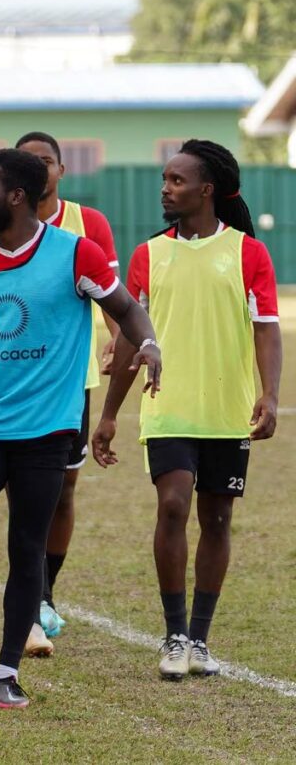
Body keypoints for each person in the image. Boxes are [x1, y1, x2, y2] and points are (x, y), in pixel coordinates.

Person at [0, 149, 160, 710]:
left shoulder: (77, 253)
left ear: (16, 198)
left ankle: (7, 671)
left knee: (26, 549)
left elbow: (127, 309)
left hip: (47, 433)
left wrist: (147, 342)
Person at [92, 140, 281, 681]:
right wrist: (109, 415)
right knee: (173, 506)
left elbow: (266, 330)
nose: (165, 188)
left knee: (217, 519)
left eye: (176, 180)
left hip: (225, 410)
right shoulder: (148, 255)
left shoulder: (248, 252)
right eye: (164, 179)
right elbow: (130, 337)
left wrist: (269, 394)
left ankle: (200, 640)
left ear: (207, 189)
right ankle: (174, 635)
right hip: (166, 405)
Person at [15, 131, 121, 652]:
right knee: (26, 491)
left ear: (61, 170)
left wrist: (118, 343)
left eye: (46, 161)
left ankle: (44, 593)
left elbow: (112, 297)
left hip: (70, 383)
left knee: (63, 490)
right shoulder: (1, 219)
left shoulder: (89, 224)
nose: (38, 170)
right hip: (15, 380)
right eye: (28, 162)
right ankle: (30, 601)